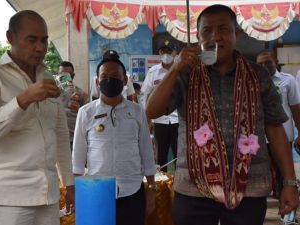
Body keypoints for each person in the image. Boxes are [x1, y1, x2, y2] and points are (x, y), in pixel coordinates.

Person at [145, 5, 299, 225]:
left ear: (236, 34)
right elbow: (151, 111)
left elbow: (275, 129)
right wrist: (175, 68)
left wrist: (290, 184)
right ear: (198, 37)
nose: (215, 36)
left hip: (249, 187)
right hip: (193, 188)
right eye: (206, 31)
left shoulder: (258, 75)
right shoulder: (185, 73)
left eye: (223, 29)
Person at [0, 10, 74, 225]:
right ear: (10, 37)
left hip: (49, 196)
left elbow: (60, 134)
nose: (41, 48)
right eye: (32, 40)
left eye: (44, 40)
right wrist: (23, 99)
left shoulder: (47, 77)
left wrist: (69, 183)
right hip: (9, 199)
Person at [72, 50, 157, 225]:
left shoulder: (136, 111)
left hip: (132, 190)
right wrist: (74, 189)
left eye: (116, 76)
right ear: (97, 81)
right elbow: (78, 156)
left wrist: (151, 188)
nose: (109, 80)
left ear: (125, 80)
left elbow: (146, 151)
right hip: (97, 191)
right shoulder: (86, 112)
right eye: (104, 76)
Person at [256, 50, 300, 198]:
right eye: (260, 64)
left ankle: (287, 213)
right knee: (262, 173)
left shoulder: (288, 80)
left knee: (284, 173)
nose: (264, 66)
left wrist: (299, 132)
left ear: (275, 61)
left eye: (267, 62)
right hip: (259, 138)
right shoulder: (252, 82)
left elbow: (295, 109)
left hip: (283, 136)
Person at [141, 40, 179, 172]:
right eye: (163, 52)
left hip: (178, 121)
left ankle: (177, 184)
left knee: (179, 155)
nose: (166, 55)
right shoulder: (153, 72)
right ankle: (162, 185)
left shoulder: (181, 70)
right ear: (159, 53)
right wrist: (147, 119)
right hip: (159, 121)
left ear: (175, 53)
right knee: (160, 156)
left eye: (169, 52)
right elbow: (145, 95)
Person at [58, 61, 89, 149]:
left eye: (67, 74)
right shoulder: (49, 93)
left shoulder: (81, 93)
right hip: (55, 138)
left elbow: (86, 116)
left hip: (73, 138)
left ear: (73, 76)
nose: (64, 77)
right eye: (61, 74)